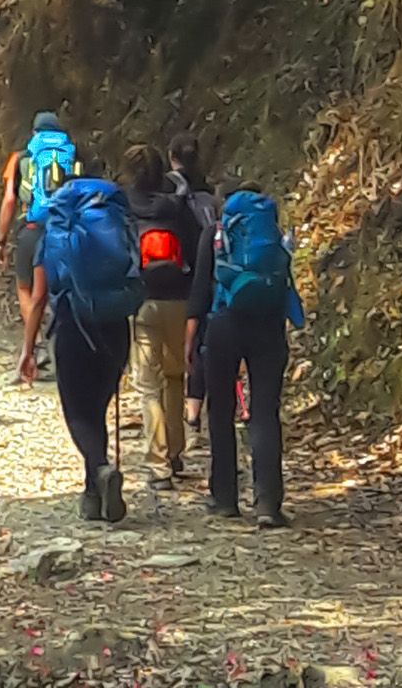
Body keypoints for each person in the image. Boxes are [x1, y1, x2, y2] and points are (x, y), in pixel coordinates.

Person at [16, 171, 138, 523]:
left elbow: (38, 297)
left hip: (72, 327)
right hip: (115, 325)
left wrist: (28, 348)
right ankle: (92, 494)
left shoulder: (54, 232)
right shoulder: (116, 222)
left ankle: (99, 468)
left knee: (78, 413)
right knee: (97, 407)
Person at [186, 185, 304, 527]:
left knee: (220, 408)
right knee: (265, 411)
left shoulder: (216, 233)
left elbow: (200, 289)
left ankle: (224, 498)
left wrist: (191, 339)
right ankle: (267, 503)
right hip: (268, 327)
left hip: (224, 325)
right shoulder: (275, 237)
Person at [126, 146, 201, 489]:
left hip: (142, 300)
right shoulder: (178, 207)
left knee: (148, 386)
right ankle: (175, 451)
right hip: (180, 298)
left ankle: (158, 466)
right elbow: (197, 249)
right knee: (174, 378)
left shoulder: (124, 207)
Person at [0, 112, 80, 374]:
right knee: (61, 287)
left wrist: (1, 239)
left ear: (34, 133)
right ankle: (61, 342)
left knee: (25, 287)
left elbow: (10, 200)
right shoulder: (73, 154)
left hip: (32, 229)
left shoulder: (21, 158)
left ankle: (37, 343)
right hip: (66, 229)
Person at [167, 134, 223, 431]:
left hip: (180, 272)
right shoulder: (209, 191)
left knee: (187, 345)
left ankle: (189, 412)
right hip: (213, 271)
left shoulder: (171, 188)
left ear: (171, 156)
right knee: (202, 340)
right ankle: (200, 406)